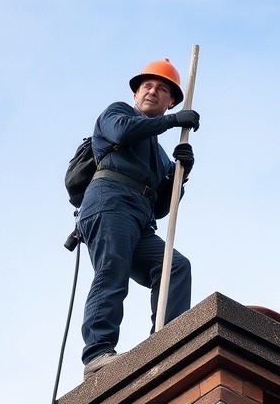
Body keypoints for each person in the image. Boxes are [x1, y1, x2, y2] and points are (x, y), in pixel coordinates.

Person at [77, 58, 200, 377]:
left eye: (162, 89)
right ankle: (97, 352)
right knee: (112, 266)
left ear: (170, 100)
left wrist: (178, 174)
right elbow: (123, 131)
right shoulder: (117, 112)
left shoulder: (158, 152)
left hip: (140, 218)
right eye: (148, 86)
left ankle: (167, 341)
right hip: (110, 200)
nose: (153, 91)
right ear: (135, 93)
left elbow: (161, 207)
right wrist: (173, 121)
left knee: (175, 265)